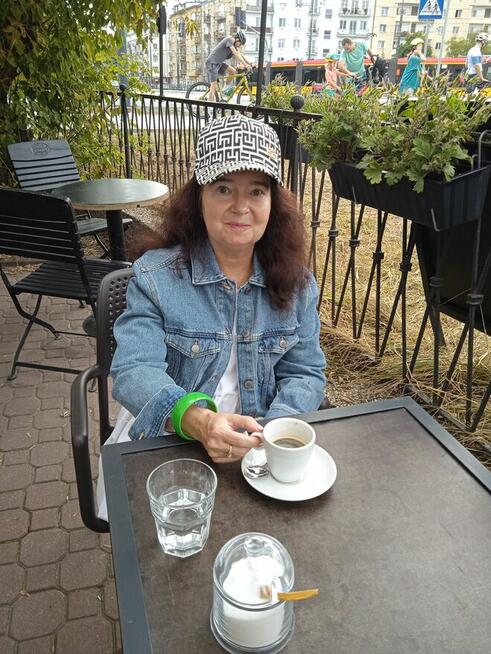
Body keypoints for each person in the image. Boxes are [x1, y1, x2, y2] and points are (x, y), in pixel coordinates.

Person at [96, 114, 327, 520]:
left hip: (257, 445)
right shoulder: (156, 277)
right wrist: (198, 421)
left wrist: (273, 433)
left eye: (256, 191)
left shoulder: (298, 286)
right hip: (168, 434)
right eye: (223, 188)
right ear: (198, 197)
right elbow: (134, 370)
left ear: (273, 203)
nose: (241, 206)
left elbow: (305, 371)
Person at [205, 29, 253, 101]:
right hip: (212, 63)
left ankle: (225, 89)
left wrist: (249, 63)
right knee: (213, 87)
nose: (240, 46)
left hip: (219, 63)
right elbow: (236, 54)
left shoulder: (234, 46)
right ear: (237, 39)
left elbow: (240, 55)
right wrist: (245, 65)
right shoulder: (229, 40)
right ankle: (209, 105)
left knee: (233, 71)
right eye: (240, 44)